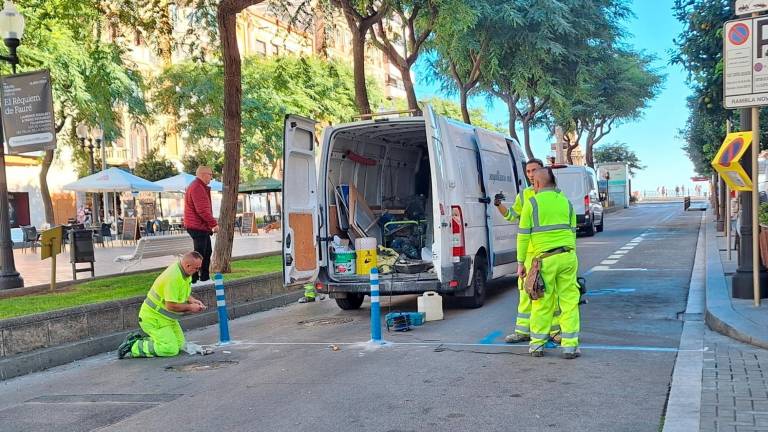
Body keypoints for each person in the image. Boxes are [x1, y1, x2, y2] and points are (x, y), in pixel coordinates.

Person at [517, 168, 581, 359]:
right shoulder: (566, 203)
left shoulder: (532, 203)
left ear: (536, 184)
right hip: (568, 256)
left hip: (545, 260)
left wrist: (521, 263)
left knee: (542, 301)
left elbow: (522, 237)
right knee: (569, 301)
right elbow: (572, 233)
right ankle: (570, 346)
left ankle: (537, 345)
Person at [495, 158, 560, 344]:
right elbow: (512, 216)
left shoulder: (555, 194)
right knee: (525, 292)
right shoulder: (524, 196)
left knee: (549, 293)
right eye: (528, 171)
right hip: (530, 253)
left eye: (534, 171)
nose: (531, 175)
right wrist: (499, 205)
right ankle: (523, 331)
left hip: (548, 253)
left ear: (543, 173)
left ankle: (554, 331)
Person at [118, 252, 207, 359]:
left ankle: (150, 340)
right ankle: (134, 346)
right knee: (170, 349)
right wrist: (190, 307)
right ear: (187, 265)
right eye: (196, 268)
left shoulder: (185, 273)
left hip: (166, 319)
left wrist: (193, 300)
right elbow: (171, 306)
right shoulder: (173, 277)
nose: (198, 271)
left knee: (180, 346)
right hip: (153, 319)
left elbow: (183, 294)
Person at [184, 166, 219, 283]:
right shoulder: (197, 187)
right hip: (197, 226)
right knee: (199, 255)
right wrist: (214, 224)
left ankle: (204, 277)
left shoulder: (197, 186)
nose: (211, 177)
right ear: (203, 174)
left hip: (199, 226)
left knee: (206, 251)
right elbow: (202, 210)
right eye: (210, 174)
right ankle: (194, 280)